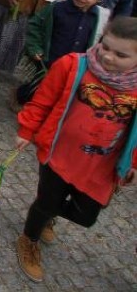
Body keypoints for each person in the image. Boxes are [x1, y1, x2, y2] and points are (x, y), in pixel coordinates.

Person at [14, 16, 137, 283]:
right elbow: (42, 101)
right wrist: (26, 130)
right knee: (47, 202)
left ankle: (48, 214)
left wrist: (133, 163)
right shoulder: (73, 65)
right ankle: (29, 237)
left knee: (86, 215)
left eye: (121, 54)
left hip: (100, 167)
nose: (108, 56)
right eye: (105, 46)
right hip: (60, 155)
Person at [23, 0, 110, 72]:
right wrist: (35, 47)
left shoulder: (100, 18)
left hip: (75, 69)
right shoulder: (56, 7)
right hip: (48, 63)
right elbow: (35, 26)